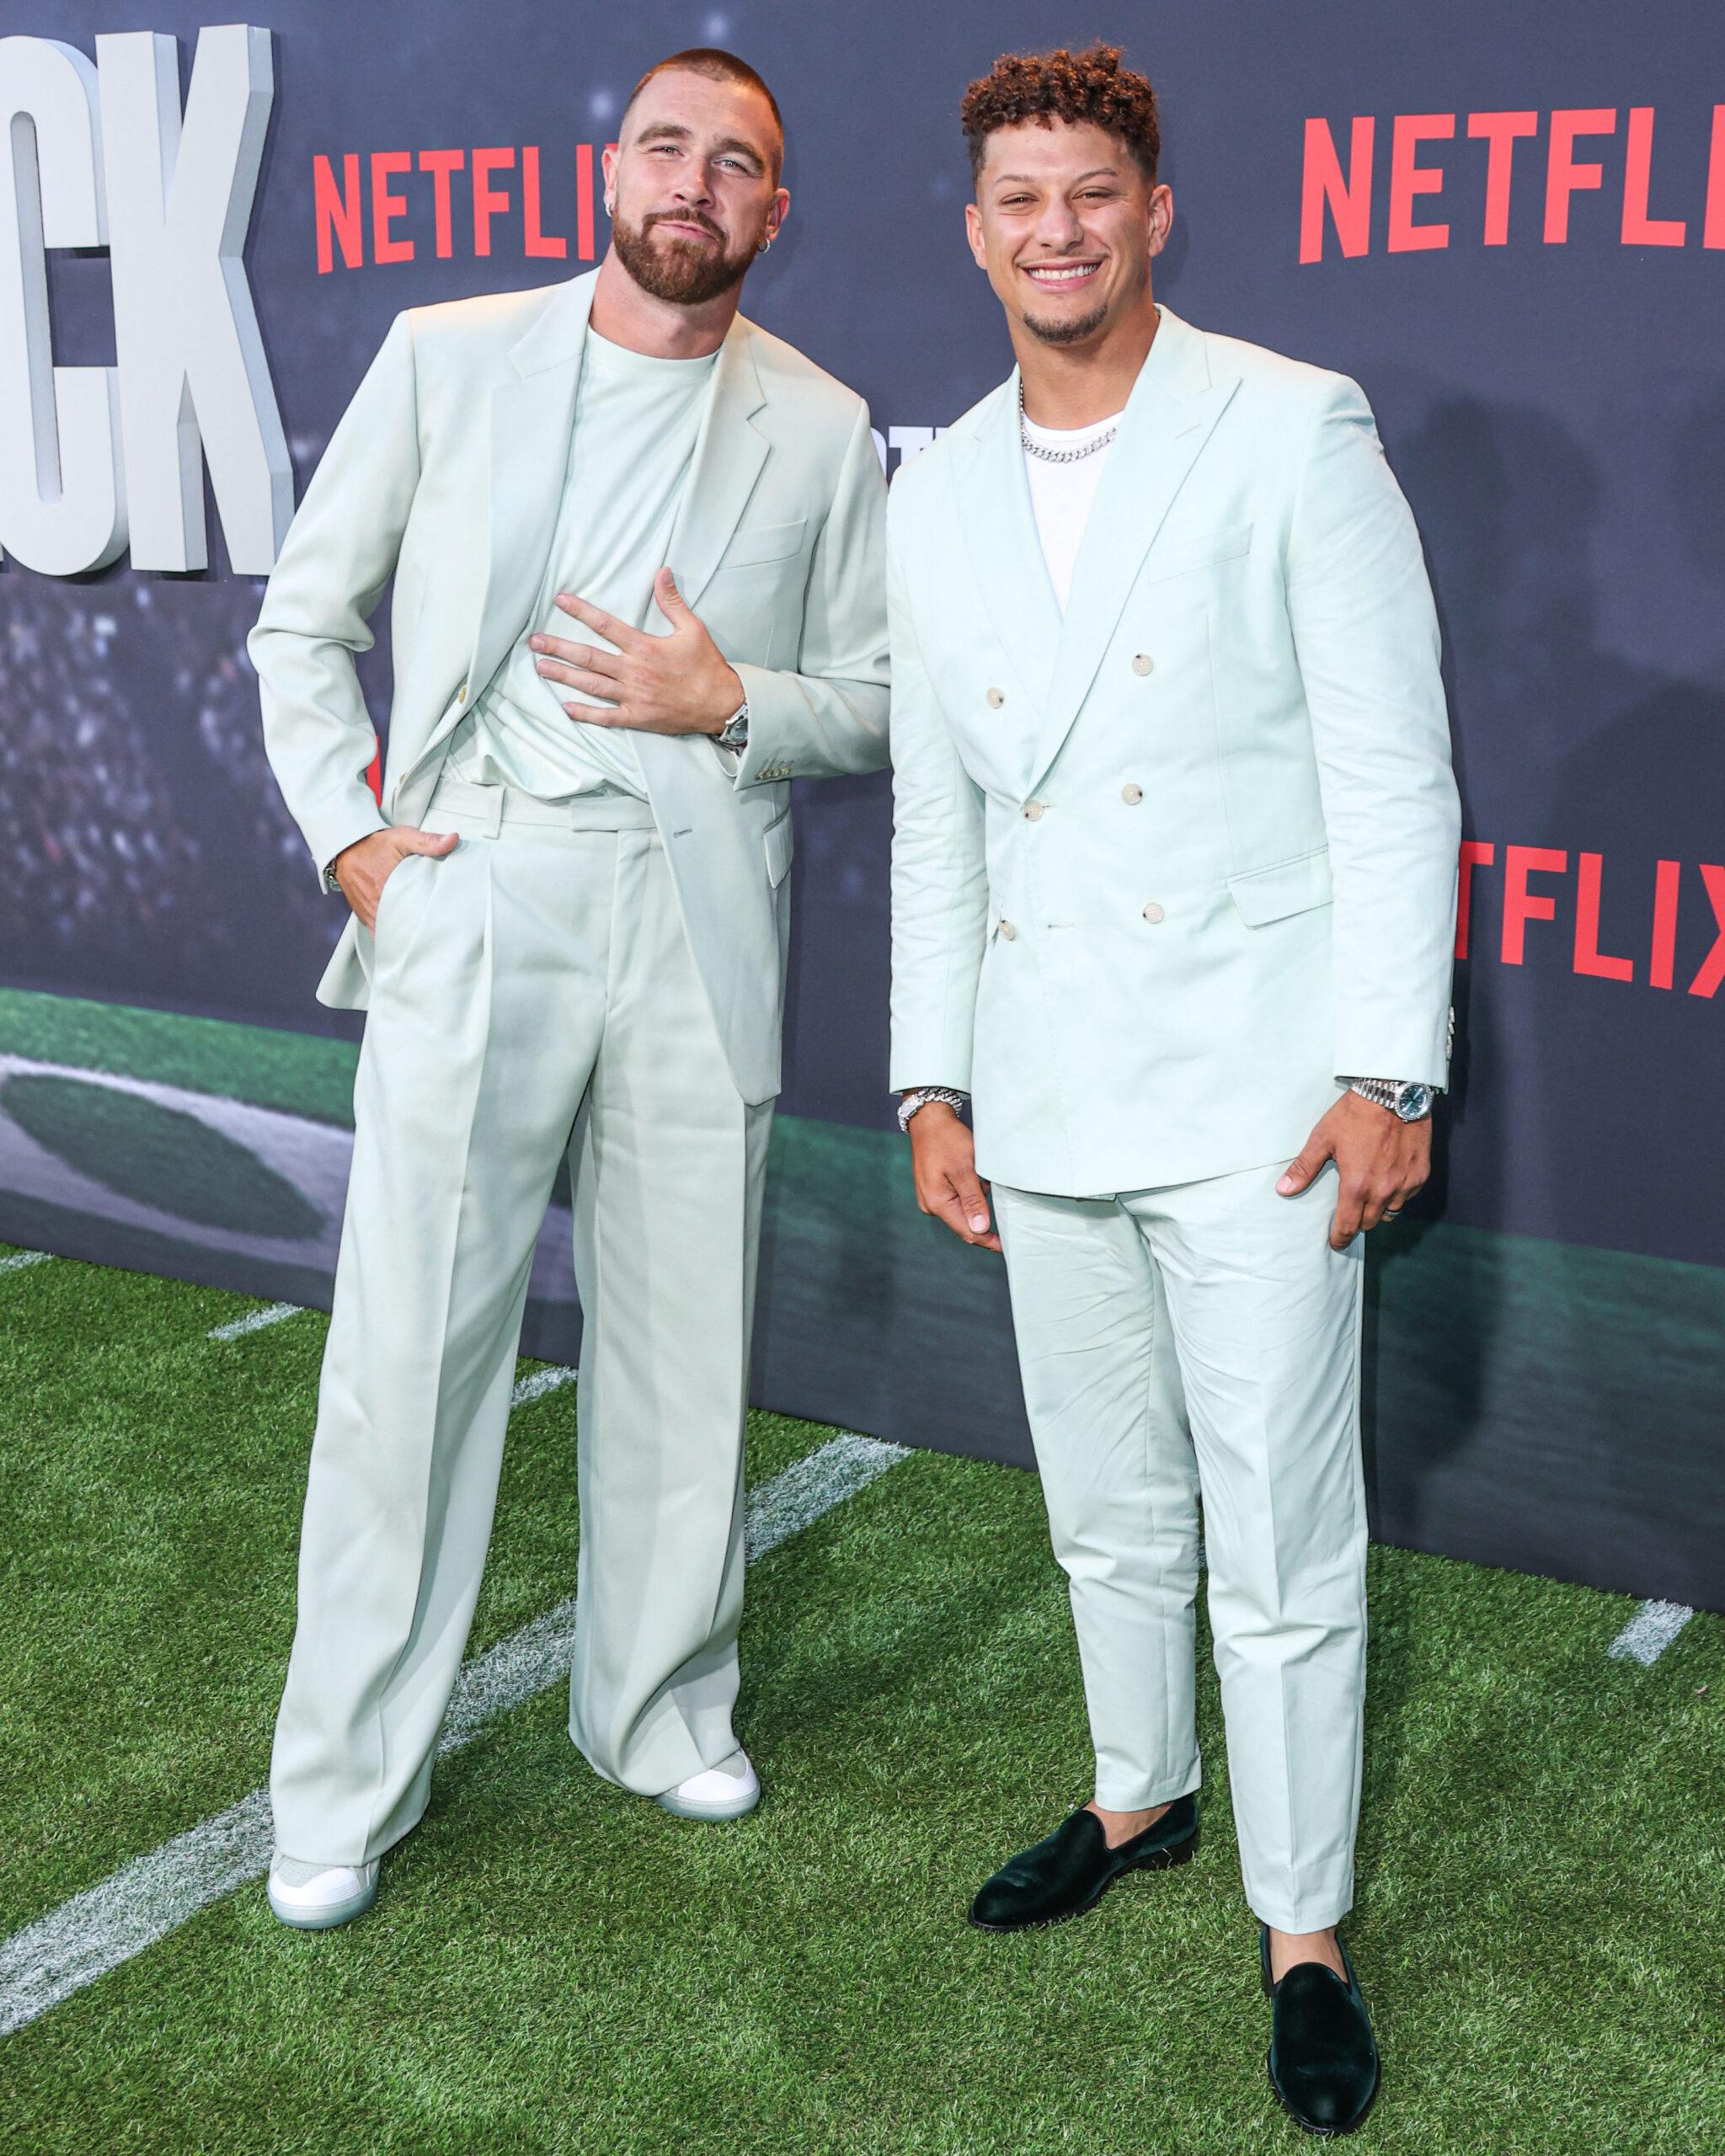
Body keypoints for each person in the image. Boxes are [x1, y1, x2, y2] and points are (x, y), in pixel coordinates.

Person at [249, 47, 889, 1931]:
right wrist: (352, 841)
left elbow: (880, 688)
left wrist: (736, 704)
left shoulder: (825, 425)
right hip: (479, 883)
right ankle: (343, 1782)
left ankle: (661, 1702)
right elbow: (304, 617)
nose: (695, 182)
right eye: (667, 146)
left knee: (688, 1344)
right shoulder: (451, 356)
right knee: (404, 1363)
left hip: (695, 909)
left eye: (738, 164)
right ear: (609, 171)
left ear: (776, 213)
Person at [888, 44, 1458, 2137]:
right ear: (976, 229)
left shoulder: (1289, 424)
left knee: (1282, 1537)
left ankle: (1302, 1926)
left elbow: (1394, 770)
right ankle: (1137, 1795)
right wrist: (930, 1078)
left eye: (1089, 195)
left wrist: (1391, 1065)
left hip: (1256, 1096)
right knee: (1106, 1504)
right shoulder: (929, 483)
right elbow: (940, 821)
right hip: (1037, 1098)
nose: (1055, 230)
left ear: (1152, 213)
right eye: (1017, 198)